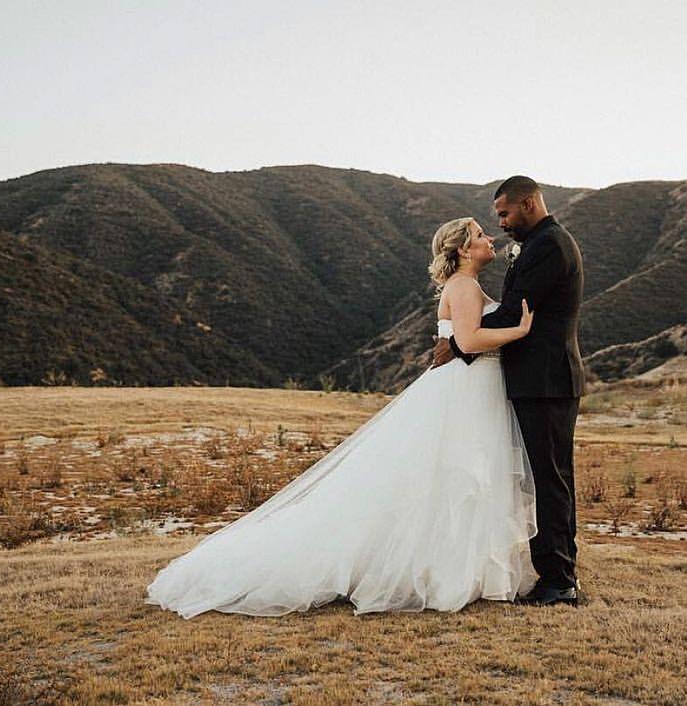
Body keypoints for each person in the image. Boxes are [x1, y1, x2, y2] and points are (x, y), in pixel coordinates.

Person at [146, 217, 539, 617]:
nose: (489, 238)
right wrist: (520, 331)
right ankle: (448, 573)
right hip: (466, 391)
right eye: (479, 235)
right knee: (458, 478)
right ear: (463, 249)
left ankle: (456, 569)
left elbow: (458, 339)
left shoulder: (466, 285)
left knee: (455, 480)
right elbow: (468, 341)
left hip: (470, 387)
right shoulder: (464, 286)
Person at [433, 175, 585, 607]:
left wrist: (458, 343)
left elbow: (518, 313)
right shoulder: (539, 243)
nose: (500, 224)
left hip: (545, 381)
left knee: (548, 481)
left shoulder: (548, 246)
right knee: (550, 478)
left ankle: (558, 581)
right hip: (540, 380)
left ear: (529, 203)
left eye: (504, 213)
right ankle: (560, 574)